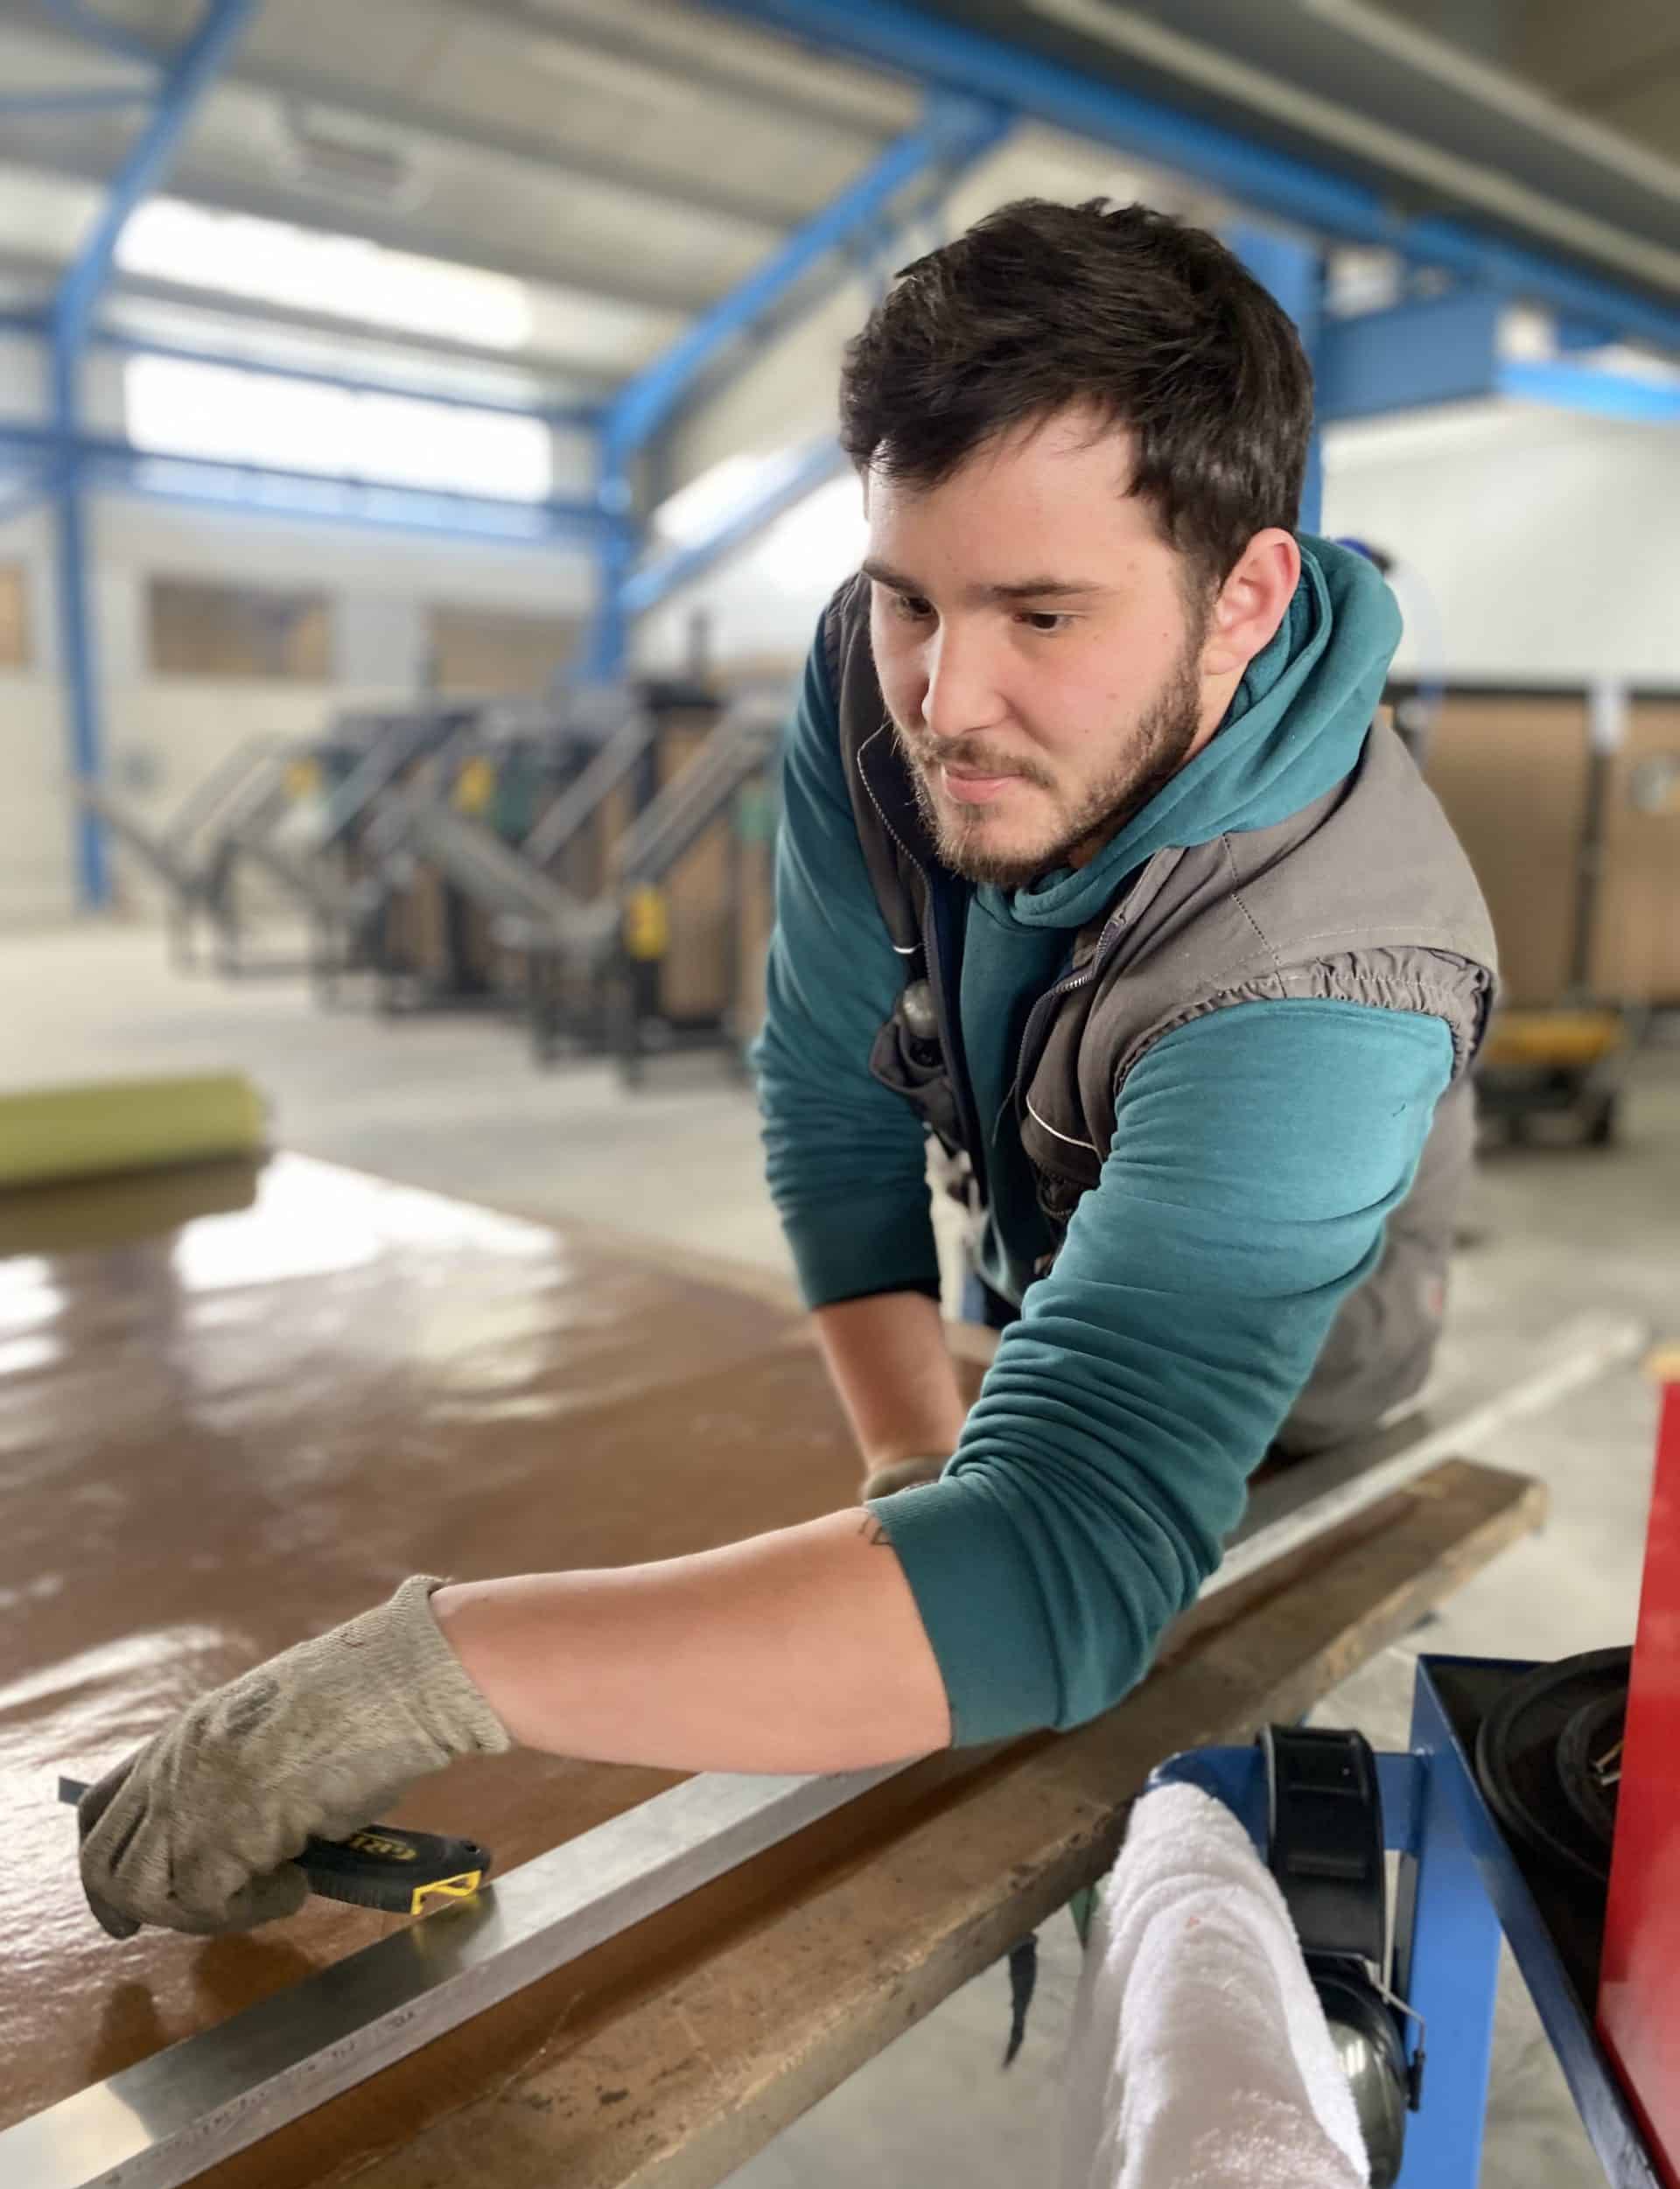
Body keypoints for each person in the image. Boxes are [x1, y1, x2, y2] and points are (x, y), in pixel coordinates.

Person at [75, 199, 1494, 1940]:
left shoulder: (1330, 975)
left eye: (1044, 615)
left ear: (1245, 599)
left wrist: (424, 1674)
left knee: (1166, 1791)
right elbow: (834, 1087)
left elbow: (1068, 1564)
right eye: (912, 598)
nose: (946, 700)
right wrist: (911, 1453)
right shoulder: (875, 671)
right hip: (1039, 1274)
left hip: (1300, 1394)